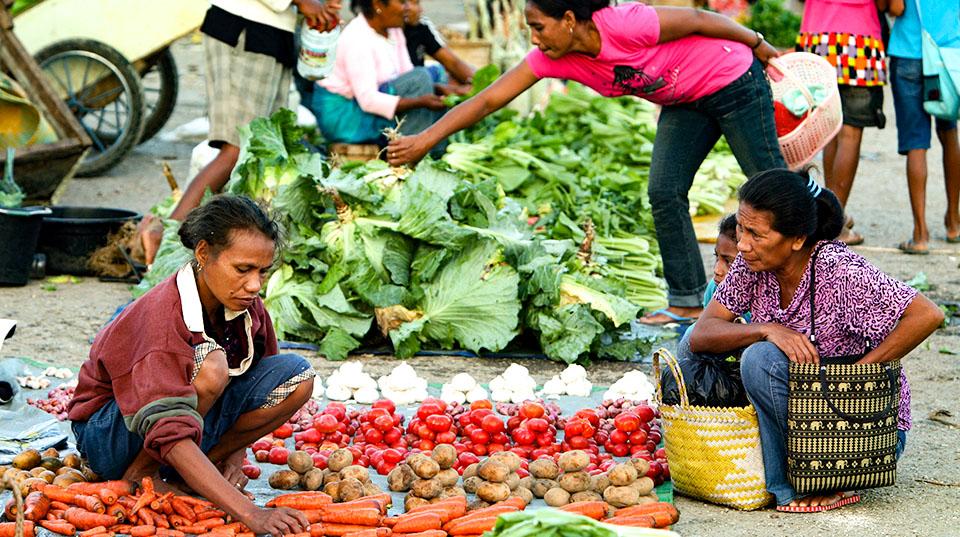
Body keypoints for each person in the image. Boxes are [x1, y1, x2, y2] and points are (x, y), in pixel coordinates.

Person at [386, 0, 787, 325]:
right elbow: (488, 99)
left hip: (731, 77)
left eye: (539, 26)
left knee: (771, 187)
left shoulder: (623, 23)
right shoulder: (551, 59)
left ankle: (815, 267)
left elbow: (699, 18)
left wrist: (757, 43)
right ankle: (686, 300)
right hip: (684, 101)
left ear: (569, 19)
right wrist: (424, 140)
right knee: (664, 190)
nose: (534, 37)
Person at [689, 168, 943, 512]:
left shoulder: (841, 272)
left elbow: (927, 314)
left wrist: (857, 378)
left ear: (796, 239)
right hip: (800, 414)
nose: (743, 244)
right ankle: (782, 467)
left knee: (759, 359)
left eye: (756, 234)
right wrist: (768, 329)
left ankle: (805, 485)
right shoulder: (751, 262)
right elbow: (703, 334)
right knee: (690, 344)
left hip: (860, 430)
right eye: (740, 230)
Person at [69, 196, 316, 537]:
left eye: (262, 271)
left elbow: (258, 374)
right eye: (243, 269)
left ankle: (193, 470)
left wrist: (233, 459)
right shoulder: (164, 316)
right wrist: (250, 513)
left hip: (178, 423)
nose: (255, 285)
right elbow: (166, 427)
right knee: (210, 365)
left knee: (297, 376)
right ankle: (143, 476)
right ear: (203, 254)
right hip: (110, 435)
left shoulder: (245, 306)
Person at [138, 0, 341, 265]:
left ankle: (221, 253)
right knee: (235, 151)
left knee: (258, 157)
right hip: (245, 31)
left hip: (272, 34)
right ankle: (165, 236)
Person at [795, 0, 892, 246]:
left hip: (817, 40)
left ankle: (831, 213)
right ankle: (834, 225)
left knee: (830, 129)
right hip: (859, 42)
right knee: (850, 133)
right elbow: (888, 6)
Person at [310, 0, 448, 149]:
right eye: (402, 2)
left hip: (369, 103)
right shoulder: (357, 38)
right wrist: (420, 101)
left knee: (434, 75)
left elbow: (407, 74)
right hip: (345, 117)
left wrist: (438, 89)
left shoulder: (394, 30)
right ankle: (411, 155)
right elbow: (369, 100)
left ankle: (431, 152)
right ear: (378, 5)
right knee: (421, 79)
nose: (406, 8)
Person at [887, 0, 960, 254]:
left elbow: (896, 8)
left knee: (916, 142)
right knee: (949, 133)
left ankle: (920, 234)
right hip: (948, 54)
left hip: (908, 53)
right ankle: (954, 222)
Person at [404, 0, 476, 91]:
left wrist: (476, 85)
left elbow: (452, 62)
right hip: (408, 84)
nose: (421, 10)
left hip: (423, 78)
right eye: (416, 3)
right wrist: (439, 88)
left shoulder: (421, 26)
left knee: (467, 73)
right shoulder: (389, 33)